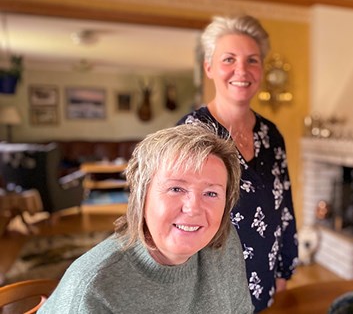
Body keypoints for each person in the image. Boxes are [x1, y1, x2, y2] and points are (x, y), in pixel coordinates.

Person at [39, 124, 254, 313]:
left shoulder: (224, 243)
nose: (193, 208)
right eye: (176, 188)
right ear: (142, 197)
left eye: (211, 193)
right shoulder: (94, 288)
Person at [176, 15, 298, 312]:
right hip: (209, 285)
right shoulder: (191, 134)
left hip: (264, 278)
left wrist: (284, 270)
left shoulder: (271, 135)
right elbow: (176, 217)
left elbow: (284, 207)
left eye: (252, 60)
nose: (241, 70)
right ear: (209, 67)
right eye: (228, 59)